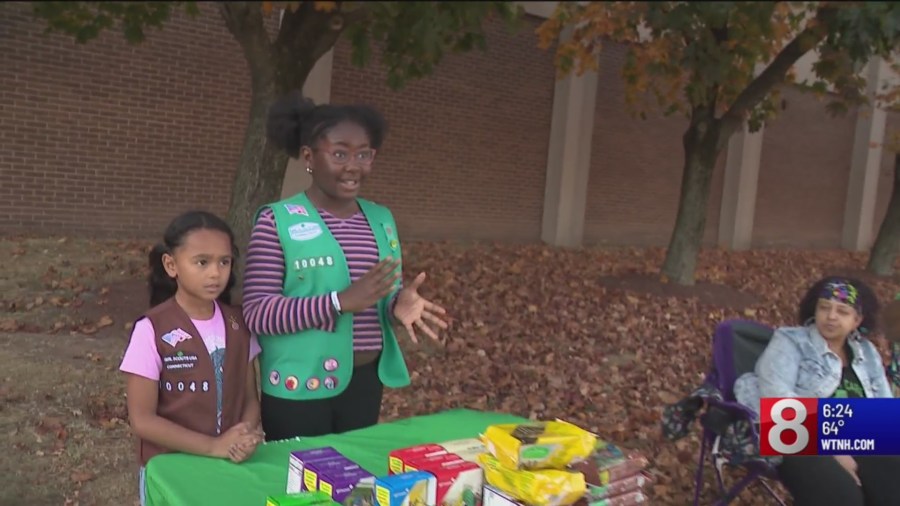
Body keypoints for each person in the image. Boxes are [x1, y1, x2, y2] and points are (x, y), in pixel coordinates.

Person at [242, 91, 450, 441]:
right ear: (309, 157)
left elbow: (372, 298)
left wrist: (397, 304)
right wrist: (338, 302)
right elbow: (258, 313)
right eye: (339, 153)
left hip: (365, 384)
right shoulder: (276, 222)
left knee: (353, 485)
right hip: (300, 387)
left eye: (364, 154)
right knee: (303, 489)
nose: (353, 166)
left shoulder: (381, 219)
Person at [119, 211, 264, 505]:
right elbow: (142, 420)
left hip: (230, 463)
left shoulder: (240, 324)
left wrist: (245, 436)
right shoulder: (152, 329)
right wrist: (213, 446)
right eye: (202, 262)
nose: (215, 273)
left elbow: (250, 397)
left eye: (224, 262)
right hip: (172, 468)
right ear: (171, 265)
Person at [735, 276, 900, 506]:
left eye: (842, 311)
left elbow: (885, 414)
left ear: (857, 320)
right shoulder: (790, 341)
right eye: (824, 308)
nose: (831, 316)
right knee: (844, 498)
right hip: (794, 434)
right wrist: (834, 450)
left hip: (860, 433)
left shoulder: (867, 352)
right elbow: (780, 403)